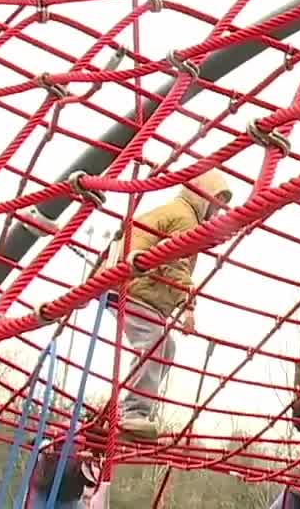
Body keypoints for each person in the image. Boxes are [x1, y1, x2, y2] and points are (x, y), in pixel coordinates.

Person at [99, 167, 233, 440]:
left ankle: (127, 411)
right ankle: (133, 413)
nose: (216, 214)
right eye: (215, 206)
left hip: (138, 289)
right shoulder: (185, 220)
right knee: (156, 344)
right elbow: (175, 265)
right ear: (203, 198)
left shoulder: (178, 212)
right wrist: (189, 308)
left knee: (164, 345)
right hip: (134, 288)